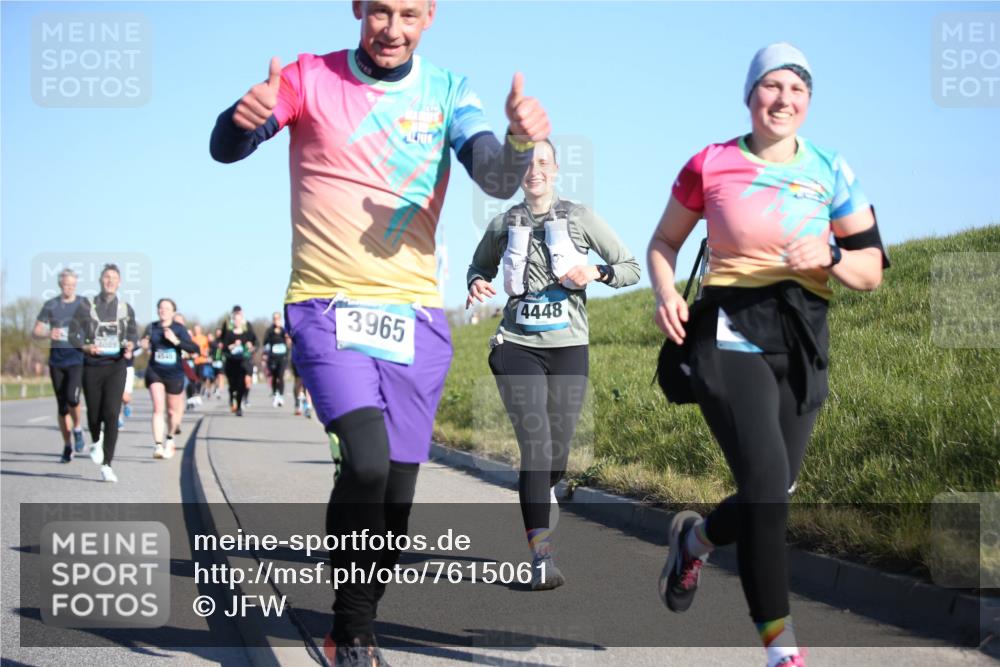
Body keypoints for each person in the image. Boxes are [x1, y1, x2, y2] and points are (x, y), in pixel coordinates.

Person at [210, 0, 549, 661]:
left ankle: (357, 613)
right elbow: (227, 149)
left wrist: (518, 142)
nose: (393, 29)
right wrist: (237, 120)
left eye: (410, 15)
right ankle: (351, 631)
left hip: (415, 317)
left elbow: (492, 174)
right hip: (326, 305)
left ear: (431, 17)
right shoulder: (309, 77)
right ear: (357, 8)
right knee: (364, 461)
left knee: (395, 504)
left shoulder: (449, 91)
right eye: (381, 12)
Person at [648, 44, 888, 667]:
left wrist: (831, 255)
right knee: (764, 492)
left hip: (801, 337)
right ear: (750, 94)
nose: (783, 99)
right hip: (729, 329)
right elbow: (664, 241)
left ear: (809, 101)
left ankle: (695, 542)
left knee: (775, 489)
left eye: (797, 89)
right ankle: (782, 652)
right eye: (772, 86)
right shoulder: (712, 163)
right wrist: (666, 292)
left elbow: (871, 269)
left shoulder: (831, 169)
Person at [467, 139, 640, 589]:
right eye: (526, 164)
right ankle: (540, 557)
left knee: (556, 452)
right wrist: (476, 283)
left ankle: (542, 487)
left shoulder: (579, 218)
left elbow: (630, 267)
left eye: (543, 162)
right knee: (537, 447)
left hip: (568, 347)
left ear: (556, 168)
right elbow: (478, 268)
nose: (535, 170)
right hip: (515, 345)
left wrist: (596, 272)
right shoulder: (504, 223)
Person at [72, 264, 139, 483]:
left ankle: (107, 464)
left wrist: (131, 345)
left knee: (111, 413)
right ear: (100, 280)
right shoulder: (86, 306)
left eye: (114, 277)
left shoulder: (126, 308)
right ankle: (96, 440)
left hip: (116, 366)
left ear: (119, 282)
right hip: (92, 366)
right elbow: (72, 335)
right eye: (106, 277)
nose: (110, 281)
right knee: (94, 415)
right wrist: (86, 347)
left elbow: (133, 336)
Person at [32, 268, 87, 462]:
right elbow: (35, 331)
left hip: (77, 358)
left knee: (73, 397)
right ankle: (67, 445)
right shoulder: (51, 305)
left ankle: (78, 428)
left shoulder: (83, 303)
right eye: (66, 285)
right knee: (62, 407)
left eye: (72, 285)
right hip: (57, 360)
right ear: (60, 285)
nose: (69, 288)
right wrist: (48, 333)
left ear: (76, 285)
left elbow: (94, 325)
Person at [141, 299, 200, 459]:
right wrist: (143, 344)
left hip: (174, 373)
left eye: (167, 308)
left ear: (173, 312)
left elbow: (194, 349)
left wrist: (175, 340)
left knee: (172, 412)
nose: (163, 310)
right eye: (161, 307)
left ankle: (170, 438)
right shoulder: (151, 327)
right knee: (158, 408)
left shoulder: (179, 329)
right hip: (155, 371)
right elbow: (143, 343)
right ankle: (158, 445)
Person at [220, 306, 256, 416]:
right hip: (231, 362)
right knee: (233, 385)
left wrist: (251, 346)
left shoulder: (247, 333)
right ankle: (232, 398)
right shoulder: (229, 333)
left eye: (239, 319)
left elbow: (255, 343)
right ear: (233, 320)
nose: (237, 321)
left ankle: (239, 407)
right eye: (235, 319)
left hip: (242, 362)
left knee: (241, 385)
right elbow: (223, 347)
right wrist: (231, 346)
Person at [262, 312, 290, 407]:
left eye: (278, 318)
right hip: (273, 357)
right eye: (274, 318)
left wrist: (286, 338)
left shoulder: (284, 330)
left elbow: (288, 342)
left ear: (280, 319)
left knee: (280, 376)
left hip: (282, 357)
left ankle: (281, 395)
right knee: (274, 376)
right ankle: (275, 394)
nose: (276, 320)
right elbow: (265, 342)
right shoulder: (269, 330)